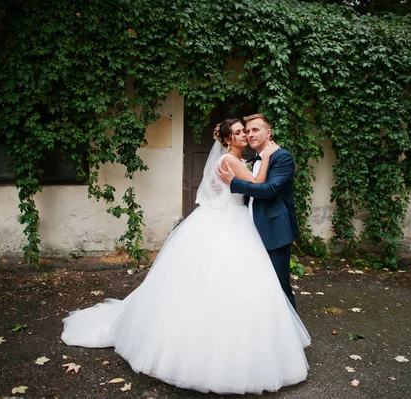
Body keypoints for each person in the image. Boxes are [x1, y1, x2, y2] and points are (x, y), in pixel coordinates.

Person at [61, 118, 310, 395]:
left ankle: (272, 339)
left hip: (233, 221)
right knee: (233, 283)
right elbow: (258, 184)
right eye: (240, 132)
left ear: (266, 133)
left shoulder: (245, 158)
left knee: (240, 284)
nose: (245, 135)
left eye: (249, 130)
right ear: (228, 139)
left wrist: (251, 169)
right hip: (231, 224)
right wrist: (264, 160)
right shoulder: (234, 160)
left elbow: (248, 190)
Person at [218, 114, 299, 310]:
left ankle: (292, 334)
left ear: (268, 133)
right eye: (247, 131)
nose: (250, 134)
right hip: (251, 230)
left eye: (255, 130)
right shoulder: (253, 159)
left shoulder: (282, 157)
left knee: (280, 284)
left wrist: (234, 183)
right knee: (261, 284)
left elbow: (269, 190)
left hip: (274, 230)